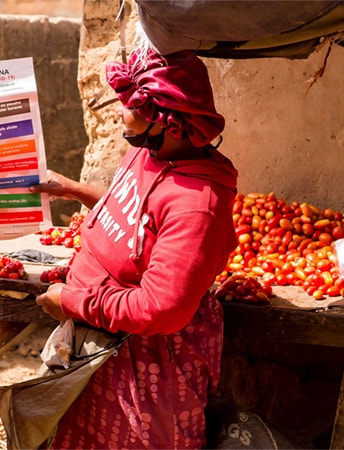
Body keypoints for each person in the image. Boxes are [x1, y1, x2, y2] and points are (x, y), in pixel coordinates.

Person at [29, 45, 238, 449]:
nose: (119, 116)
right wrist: (74, 191)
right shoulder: (154, 153)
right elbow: (139, 215)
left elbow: (160, 308)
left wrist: (73, 303)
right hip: (103, 353)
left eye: (129, 110)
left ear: (167, 123)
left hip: (145, 372)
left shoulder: (198, 205)